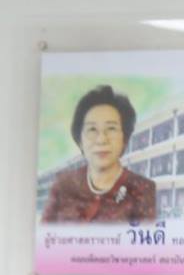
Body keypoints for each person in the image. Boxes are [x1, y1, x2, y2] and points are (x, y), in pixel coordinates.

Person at [41, 85, 158, 224]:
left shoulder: (143, 190)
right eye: (92, 129)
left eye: (111, 128)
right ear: (80, 140)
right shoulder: (62, 186)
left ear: (124, 139)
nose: (101, 139)